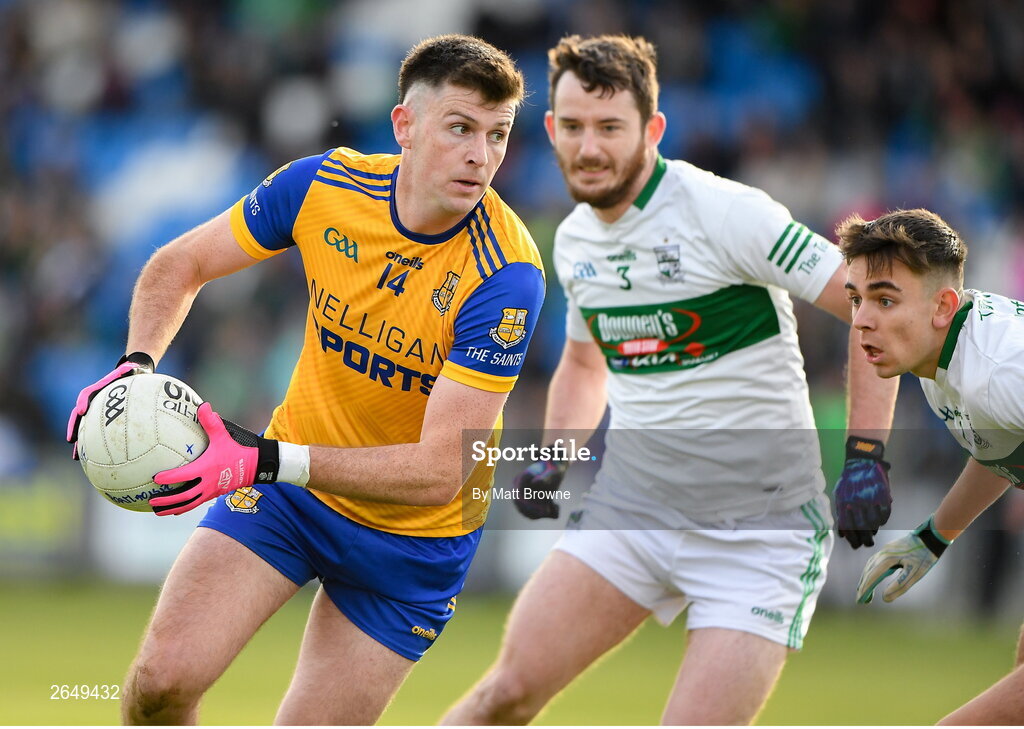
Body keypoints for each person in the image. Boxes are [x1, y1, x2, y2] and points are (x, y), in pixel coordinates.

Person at [65, 34, 545, 725]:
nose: (482, 155)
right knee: (160, 681)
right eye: (461, 128)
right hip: (292, 498)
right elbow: (179, 265)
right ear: (404, 127)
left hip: (411, 541)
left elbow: (443, 468)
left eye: (498, 135)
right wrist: (131, 371)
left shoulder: (507, 275)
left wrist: (262, 459)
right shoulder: (325, 186)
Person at [442, 34, 898, 726]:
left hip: (760, 531)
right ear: (550, 130)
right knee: (501, 695)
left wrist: (866, 455)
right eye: (572, 127)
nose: (588, 147)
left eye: (609, 128)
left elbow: (876, 306)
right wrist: (554, 456)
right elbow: (587, 361)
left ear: (652, 129)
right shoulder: (574, 239)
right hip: (636, 507)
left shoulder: (724, 211)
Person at [846, 209, 1024, 725]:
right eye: (857, 299)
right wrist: (934, 536)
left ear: (943, 305)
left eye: (884, 299)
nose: (860, 320)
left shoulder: (997, 371)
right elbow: (999, 447)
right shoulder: (942, 357)